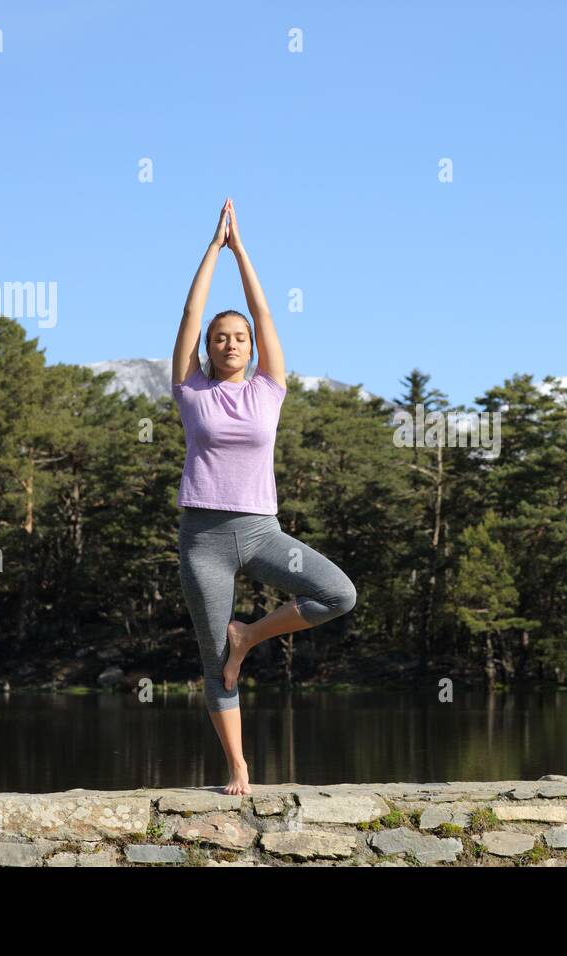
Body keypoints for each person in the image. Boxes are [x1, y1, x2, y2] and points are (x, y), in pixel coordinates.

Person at [172, 197, 357, 795]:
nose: (229, 343)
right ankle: (240, 768)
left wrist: (242, 252)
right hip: (203, 539)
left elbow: (265, 312)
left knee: (338, 594)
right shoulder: (190, 390)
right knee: (210, 659)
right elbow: (190, 309)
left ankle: (249, 636)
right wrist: (210, 249)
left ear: (251, 348)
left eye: (239, 337)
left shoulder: (269, 390)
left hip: (261, 531)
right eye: (219, 338)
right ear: (207, 348)